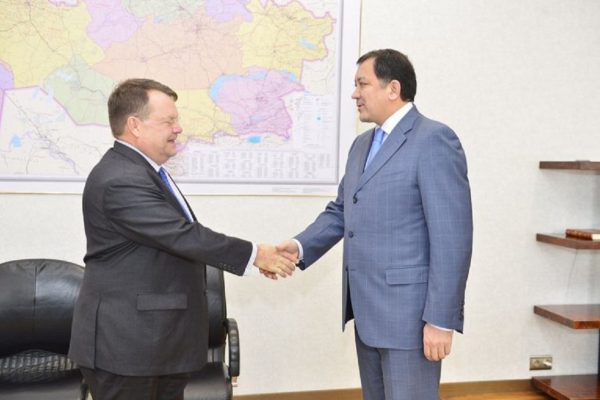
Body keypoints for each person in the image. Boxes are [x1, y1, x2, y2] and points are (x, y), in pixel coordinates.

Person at [68, 78, 296, 400]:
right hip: (128, 347)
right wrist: (256, 254)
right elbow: (182, 235)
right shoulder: (121, 178)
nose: (178, 128)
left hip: (156, 343)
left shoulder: (142, 170)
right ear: (135, 125)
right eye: (169, 121)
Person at [276, 49, 473, 400]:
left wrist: (441, 320)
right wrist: (300, 246)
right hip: (367, 312)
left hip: (411, 318)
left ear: (393, 88)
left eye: (362, 84)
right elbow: (341, 211)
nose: (355, 94)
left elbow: (452, 237)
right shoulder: (362, 145)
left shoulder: (434, 140)